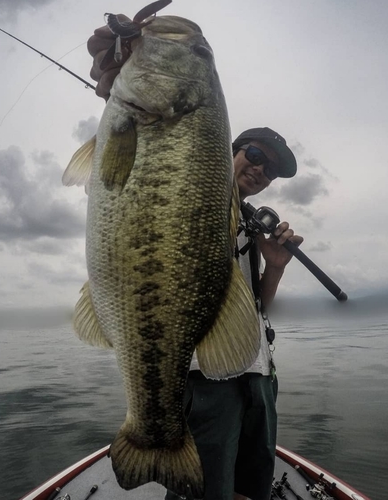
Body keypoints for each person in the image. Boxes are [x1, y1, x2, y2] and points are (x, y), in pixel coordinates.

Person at [87, 26, 304, 500]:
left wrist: (275, 267)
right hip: (207, 384)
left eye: (270, 169)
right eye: (253, 154)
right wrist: (111, 72)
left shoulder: (250, 224)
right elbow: (112, 98)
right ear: (228, 148)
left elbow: (255, 311)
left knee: (251, 488)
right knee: (208, 492)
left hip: (258, 375)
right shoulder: (196, 186)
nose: (260, 169)